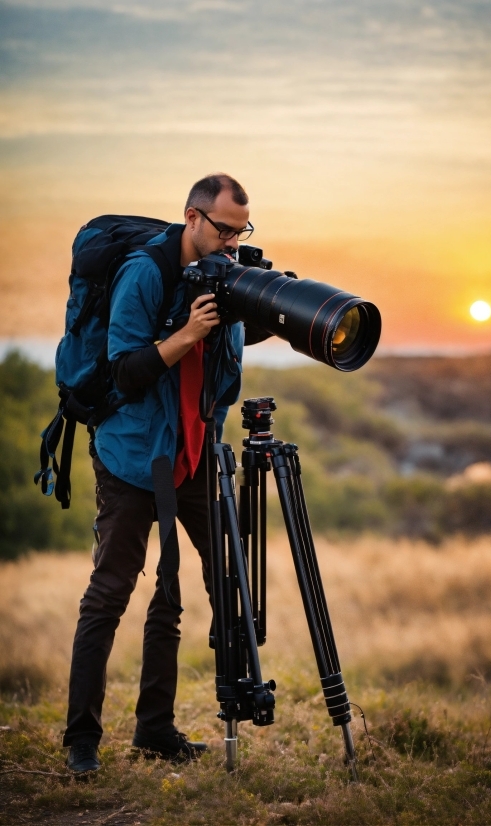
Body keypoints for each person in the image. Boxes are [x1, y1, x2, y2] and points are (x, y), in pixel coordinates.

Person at [63, 174, 270, 774]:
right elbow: (125, 370)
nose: (233, 242)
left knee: (204, 584)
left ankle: (155, 730)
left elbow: (222, 375)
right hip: (132, 457)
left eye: (242, 231)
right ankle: (81, 741)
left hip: (194, 452)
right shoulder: (146, 274)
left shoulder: (224, 273)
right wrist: (188, 333)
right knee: (109, 594)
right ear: (193, 217)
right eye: (224, 229)